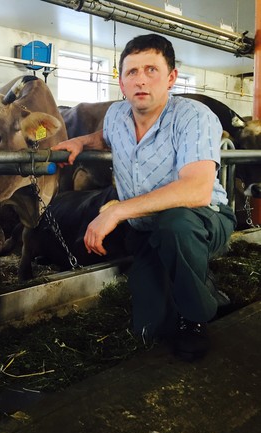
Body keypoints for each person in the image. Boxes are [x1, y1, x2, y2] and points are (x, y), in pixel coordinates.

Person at [52, 34, 236, 361]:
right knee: (148, 330)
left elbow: (196, 190)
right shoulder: (116, 117)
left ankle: (195, 318)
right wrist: (81, 141)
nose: (141, 80)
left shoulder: (193, 116)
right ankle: (209, 294)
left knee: (175, 223)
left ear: (171, 78)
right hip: (146, 229)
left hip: (203, 220)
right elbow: (104, 136)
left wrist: (115, 211)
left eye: (151, 70)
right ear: (121, 83)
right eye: (132, 72)